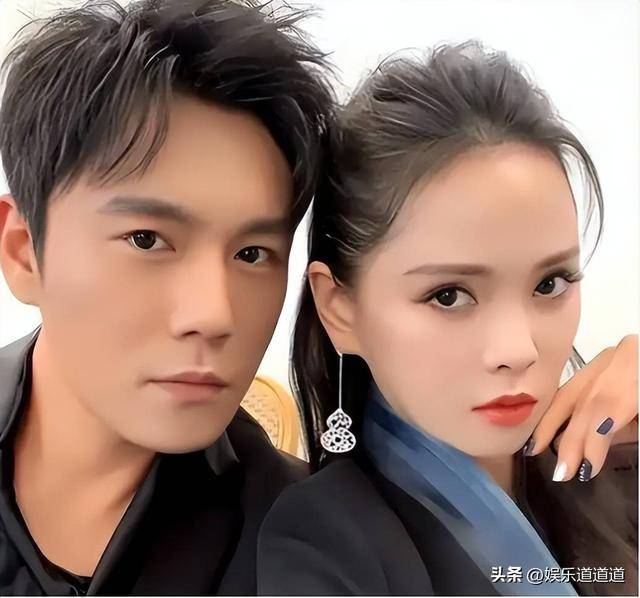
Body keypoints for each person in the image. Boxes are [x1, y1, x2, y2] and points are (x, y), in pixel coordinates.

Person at [258, 42, 638, 596]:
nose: (518, 350)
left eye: (550, 284)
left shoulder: (616, 470)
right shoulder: (320, 544)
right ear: (340, 308)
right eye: (449, 296)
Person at [0, 0, 334, 594]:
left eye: (252, 254)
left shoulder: (315, 550)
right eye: (147, 240)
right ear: (24, 252)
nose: (214, 314)